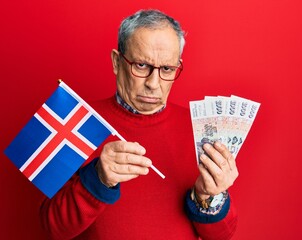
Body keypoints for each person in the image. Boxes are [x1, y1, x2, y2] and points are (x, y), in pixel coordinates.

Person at [40, 9, 238, 240]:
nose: (153, 84)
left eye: (166, 69)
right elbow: (52, 228)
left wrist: (209, 196)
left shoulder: (201, 130)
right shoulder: (76, 122)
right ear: (116, 62)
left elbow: (223, 236)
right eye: (142, 66)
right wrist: (98, 179)